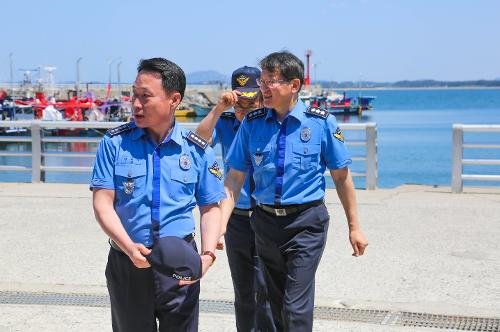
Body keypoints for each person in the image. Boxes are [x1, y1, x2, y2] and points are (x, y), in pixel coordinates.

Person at [220, 51, 368, 331]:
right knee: (274, 304)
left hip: (306, 224)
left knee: (294, 305)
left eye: (270, 82)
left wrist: (354, 227)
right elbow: (235, 178)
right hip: (264, 224)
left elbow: (342, 177)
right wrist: (220, 224)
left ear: (294, 85)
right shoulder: (253, 124)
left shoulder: (320, 122)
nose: (263, 88)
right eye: (262, 82)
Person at [91, 57, 225, 332]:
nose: (136, 104)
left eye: (146, 97)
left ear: (174, 99)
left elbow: (211, 207)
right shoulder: (114, 144)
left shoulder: (197, 151)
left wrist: (207, 256)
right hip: (127, 262)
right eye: (134, 95)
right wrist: (129, 248)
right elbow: (102, 204)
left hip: (180, 263)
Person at [196, 66, 275, 332]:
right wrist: (219, 109)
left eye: (250, 103)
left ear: (262, 98)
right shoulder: (228, 123)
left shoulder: (271, 122)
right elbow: (198, 141)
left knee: (266, 291)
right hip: (238, 217)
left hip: (267, 216)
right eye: (238, 103)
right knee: (243, 292)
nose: (243, 110)